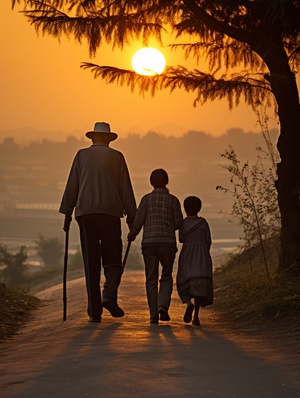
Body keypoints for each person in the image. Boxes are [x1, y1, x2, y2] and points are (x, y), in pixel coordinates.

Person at [59, 122, 136, 323]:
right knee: (113, 260)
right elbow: (125, 187)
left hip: (85, 213)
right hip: (110, 213)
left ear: (93, 138)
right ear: (109, 139)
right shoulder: (117, 157)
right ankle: (109, 294)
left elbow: (72, 186)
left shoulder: (81, 155)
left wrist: (67, 213)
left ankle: (94, 311)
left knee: (91, 262)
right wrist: (132, 216)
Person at [128, 169, 183, 324]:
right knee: (166, 276)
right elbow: (178, 223)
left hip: (149, 244)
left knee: (151, 279)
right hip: (167, 244)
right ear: (166, 182)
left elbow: (138, 221)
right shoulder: (173, 200)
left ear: (151, 182)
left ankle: (153, 314)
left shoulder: (146, 199)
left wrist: (132, 235)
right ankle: (162, 307)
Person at [176, 196, 213, 326]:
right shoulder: (203, 223)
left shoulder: (183, 223)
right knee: (198, 287)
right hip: (202, 255)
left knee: (183, 282)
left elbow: (181, 239)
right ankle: (196, 317)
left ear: (185, 209)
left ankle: (188, 303)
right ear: (199, 208)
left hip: (187, 255)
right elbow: (208, 241)